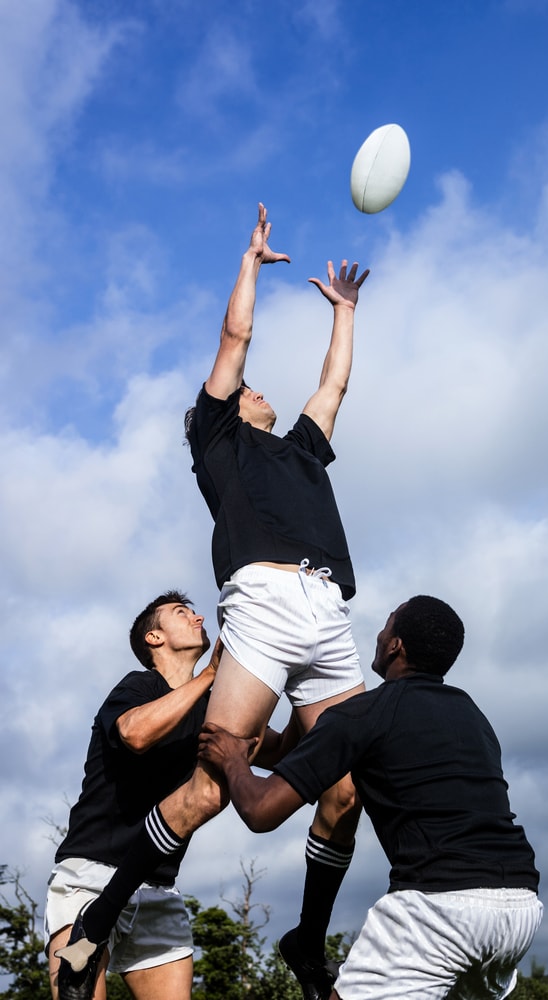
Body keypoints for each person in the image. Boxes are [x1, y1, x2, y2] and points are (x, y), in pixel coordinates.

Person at [57, 204, 370, 1000]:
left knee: (348, 788)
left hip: (328, 607)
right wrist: (249, 264)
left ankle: (307, 941)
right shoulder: (218, 440)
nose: (259, 391)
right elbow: (235, 338)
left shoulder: (301, 451)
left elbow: (333, 385)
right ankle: (96, 923)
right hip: (263, 599)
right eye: (247, 390)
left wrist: (344, 312)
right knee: (207, 787)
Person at [198, 595, 543, 1000]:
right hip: (520, 907)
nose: (379, 635)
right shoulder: (473, 715)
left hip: (441, 907)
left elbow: (261, 811)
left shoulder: (365, 713)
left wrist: (234, 760)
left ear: (395, 645)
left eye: (386, 624)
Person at [47, 591, 217, 1000]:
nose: (197, 617)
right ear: (154, 638)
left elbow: (276, 751)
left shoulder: (211, 709)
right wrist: (211, 674)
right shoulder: (139, 686)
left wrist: (293, 676)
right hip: (90, 876)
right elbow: (135, 734)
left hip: (158, 887)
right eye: (182, 612)